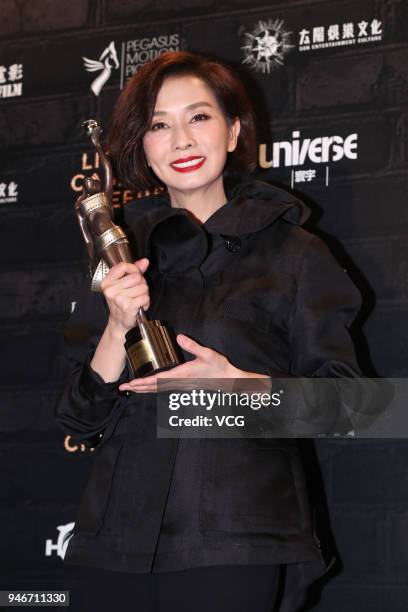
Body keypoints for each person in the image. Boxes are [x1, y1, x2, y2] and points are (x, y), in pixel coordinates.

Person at [56, 51, 364, 611]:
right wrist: (116, 325)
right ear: (142, 149)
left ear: (234, 130)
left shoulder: (296, 252)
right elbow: (78, 415)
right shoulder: (123, 259)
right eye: (158, 124)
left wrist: (240, 388)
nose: (181, 140)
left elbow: (357, 409)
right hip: (115, 539)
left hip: (236, 537)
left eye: (198, 117)